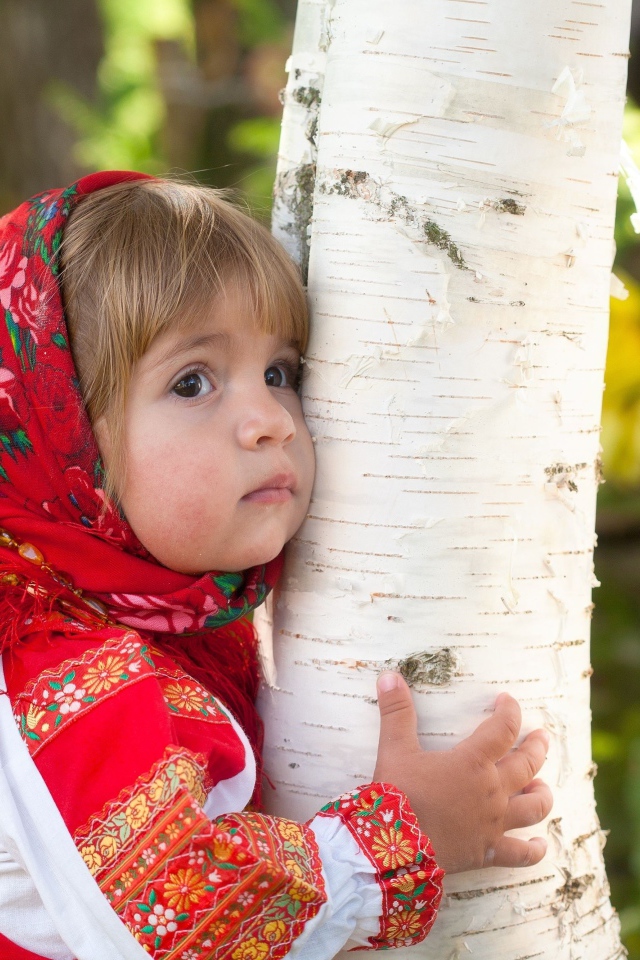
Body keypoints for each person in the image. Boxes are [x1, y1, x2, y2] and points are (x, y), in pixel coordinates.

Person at [0, 171, 552, 960]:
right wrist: (400, 839)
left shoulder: (168, 623)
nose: (269, 422)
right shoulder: (51, 668)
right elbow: (177, 921)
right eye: (193, 383)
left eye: (280, 372)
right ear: (63, 444)